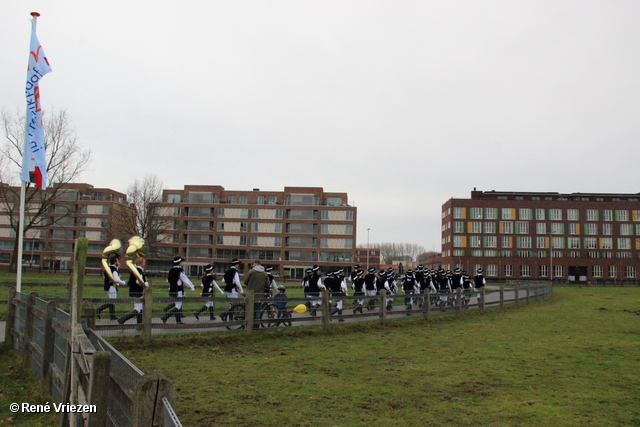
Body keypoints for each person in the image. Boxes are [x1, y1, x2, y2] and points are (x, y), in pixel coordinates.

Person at [161, 256, 195, 324]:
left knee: (177, 304)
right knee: (178, 305)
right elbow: (185, 279)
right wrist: (191, 287)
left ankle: (178, 320)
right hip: (178, 289)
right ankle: (165, 316)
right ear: (179, 263)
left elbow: (168, 280)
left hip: (172, 289)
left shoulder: (171, 270)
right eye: (181, 262)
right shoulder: (180, 271)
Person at [117, 256, 148, 325]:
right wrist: (145, 285)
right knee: (137, 309)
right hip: (138, 291)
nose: (145, 264)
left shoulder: (135, 270)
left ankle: (139, 323)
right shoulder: (138, 271)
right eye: (144, 262)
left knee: (139, 308)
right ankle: (122, 319)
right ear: (141, 263)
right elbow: (139, 281)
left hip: (134, 290)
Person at [244, 259, 272, 328]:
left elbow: (245, 281)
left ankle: (249, 324)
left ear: (256, 264)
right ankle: (256, 325)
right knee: (257, 309)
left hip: (250, 293)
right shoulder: (264, 273)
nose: (252, 265)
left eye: (253, 264)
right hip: (259, 294)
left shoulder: (251, 272)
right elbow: (267, 284)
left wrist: (250, 285)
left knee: (250, 309)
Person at [97, 254, 126, 320]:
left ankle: (112, 316)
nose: (118, 262)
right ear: (115, 262)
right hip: (111, 286)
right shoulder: (114, 269)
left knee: (112, 301)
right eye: (117, 261)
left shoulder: (108, 268)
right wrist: (123, 282)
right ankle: (98, 310)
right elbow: (116, 279)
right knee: (112, 301)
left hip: (108, 286)